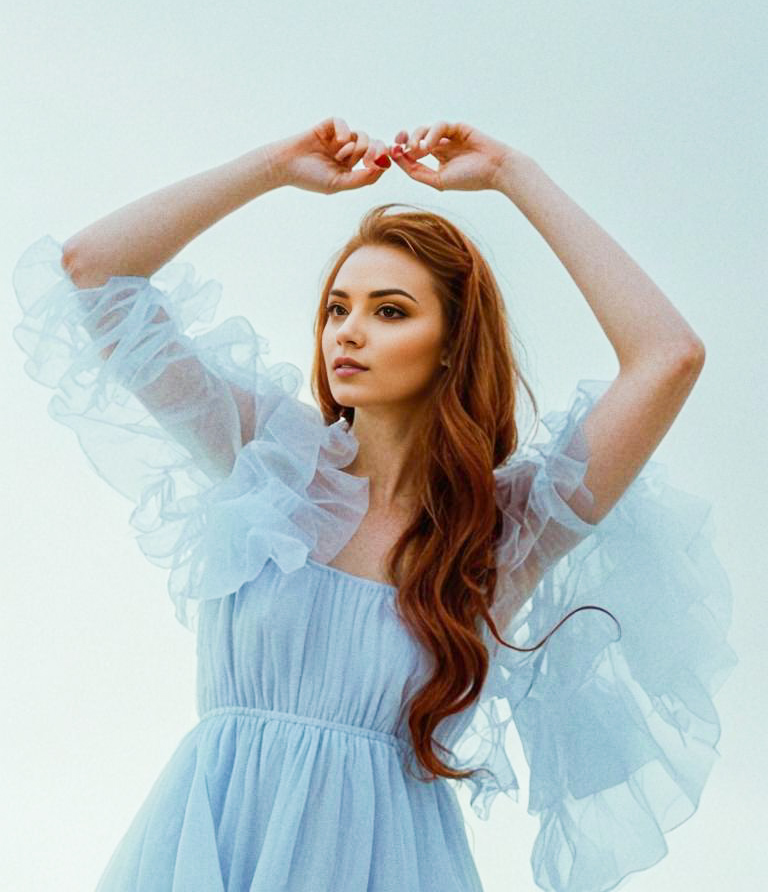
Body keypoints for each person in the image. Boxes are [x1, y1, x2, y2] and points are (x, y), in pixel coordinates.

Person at [12, 117, 736, 892]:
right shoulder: (269, 465)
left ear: (452, 343)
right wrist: (273, 167)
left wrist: (514, 173)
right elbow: (92, 272)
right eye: (337, 308)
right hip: (211, 850)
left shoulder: (502, 532)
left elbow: (669, 356)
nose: (348, 333)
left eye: (389, 311)